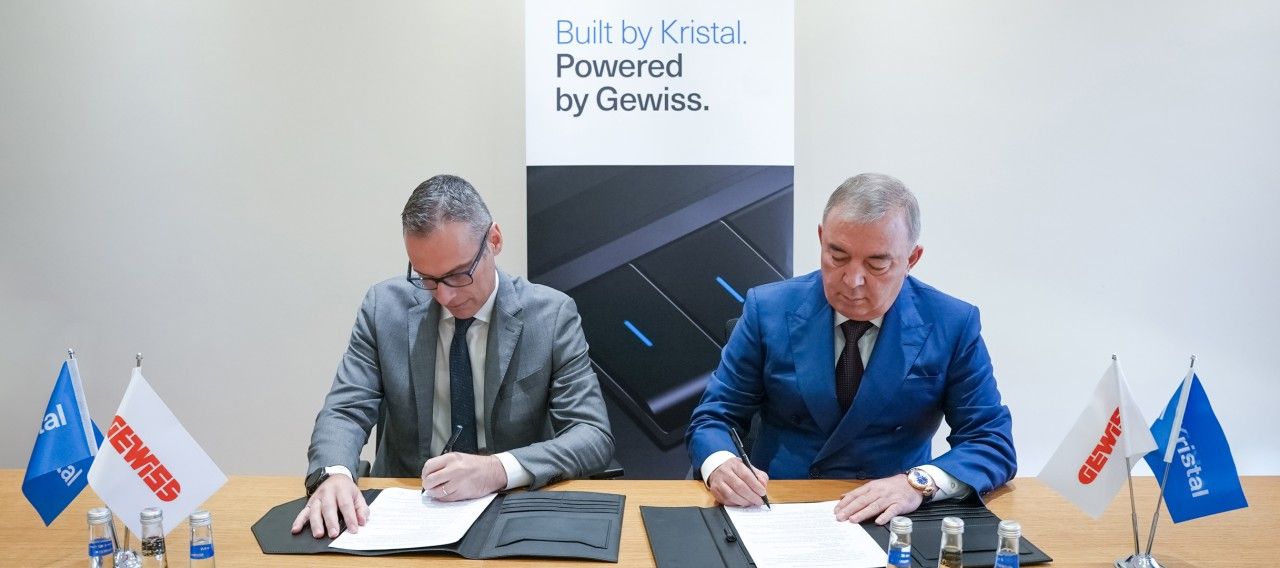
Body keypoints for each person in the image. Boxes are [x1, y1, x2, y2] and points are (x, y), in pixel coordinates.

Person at [292, 174, 614, 538]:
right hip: (406, 507)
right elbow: (345, 409)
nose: (444, 296)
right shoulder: (384, 309)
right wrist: (334, 474)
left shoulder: (551, 315)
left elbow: (591, 434)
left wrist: (497, 469)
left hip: (511, 506)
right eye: (427, 278)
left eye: (458, 275)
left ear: (494, 240)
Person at [686, 172, 1015, 524]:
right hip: (779, 506)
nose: (853, 281)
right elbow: (714, 417)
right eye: (837, 256)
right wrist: (721, 465)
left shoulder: (951, 323)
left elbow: (990, 441)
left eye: (877, 264)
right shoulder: (767, 310)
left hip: (892, 514)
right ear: (821, 238)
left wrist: (918, 483)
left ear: (912, 259)